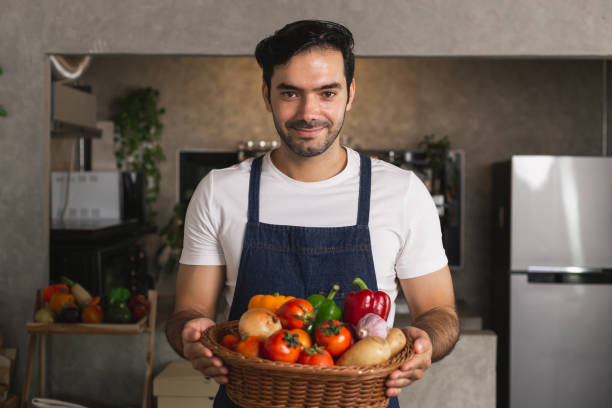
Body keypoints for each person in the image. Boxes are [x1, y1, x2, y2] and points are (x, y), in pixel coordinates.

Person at [166, 19, 459, 408]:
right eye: (290, 93)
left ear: (350, 93)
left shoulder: (401, 192)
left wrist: (426, 343)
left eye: (327, 92)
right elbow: (188, 311)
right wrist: (190, 335)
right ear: (266, 94)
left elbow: (440, 313)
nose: (309, 112)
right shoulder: (221, 191)